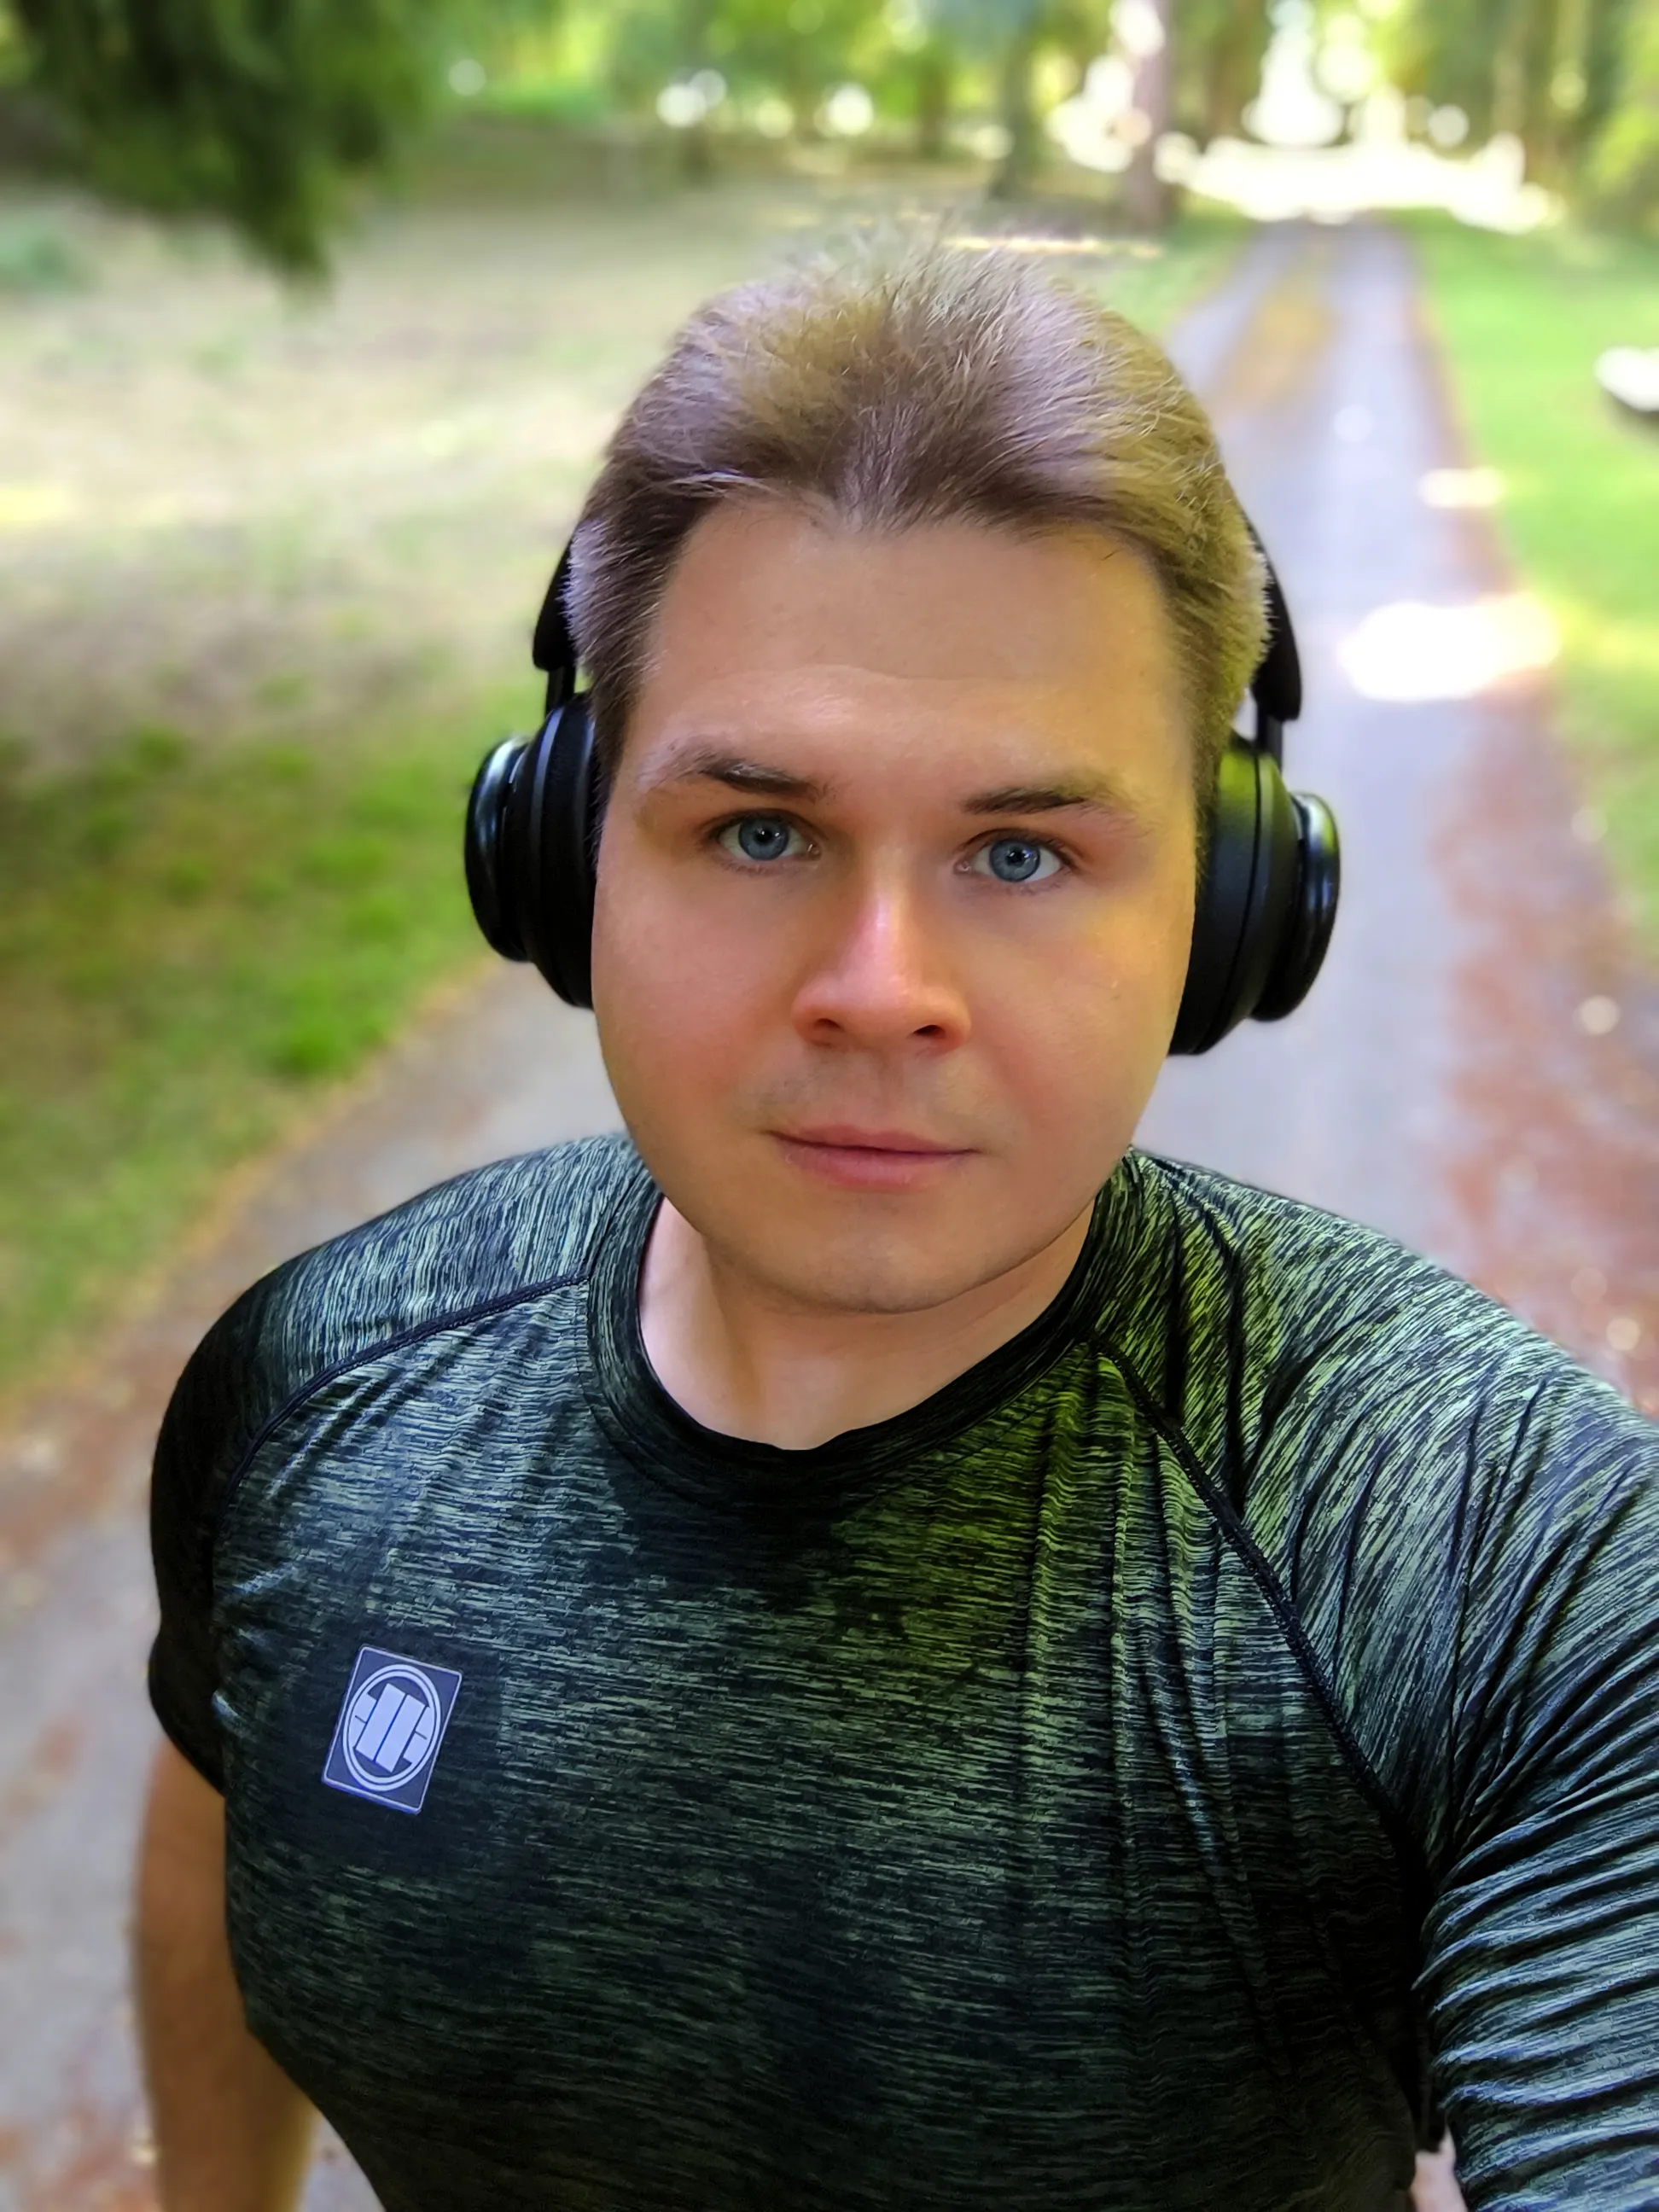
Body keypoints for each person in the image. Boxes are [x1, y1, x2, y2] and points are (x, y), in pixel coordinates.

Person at [134, 234, 1657, 2212]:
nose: (879, 989)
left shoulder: (1504, 1549)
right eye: (760, 831)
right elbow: (216, 1818)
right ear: (564, 853)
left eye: (1021, 852)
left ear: (1226, 915)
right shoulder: (317, 1379)